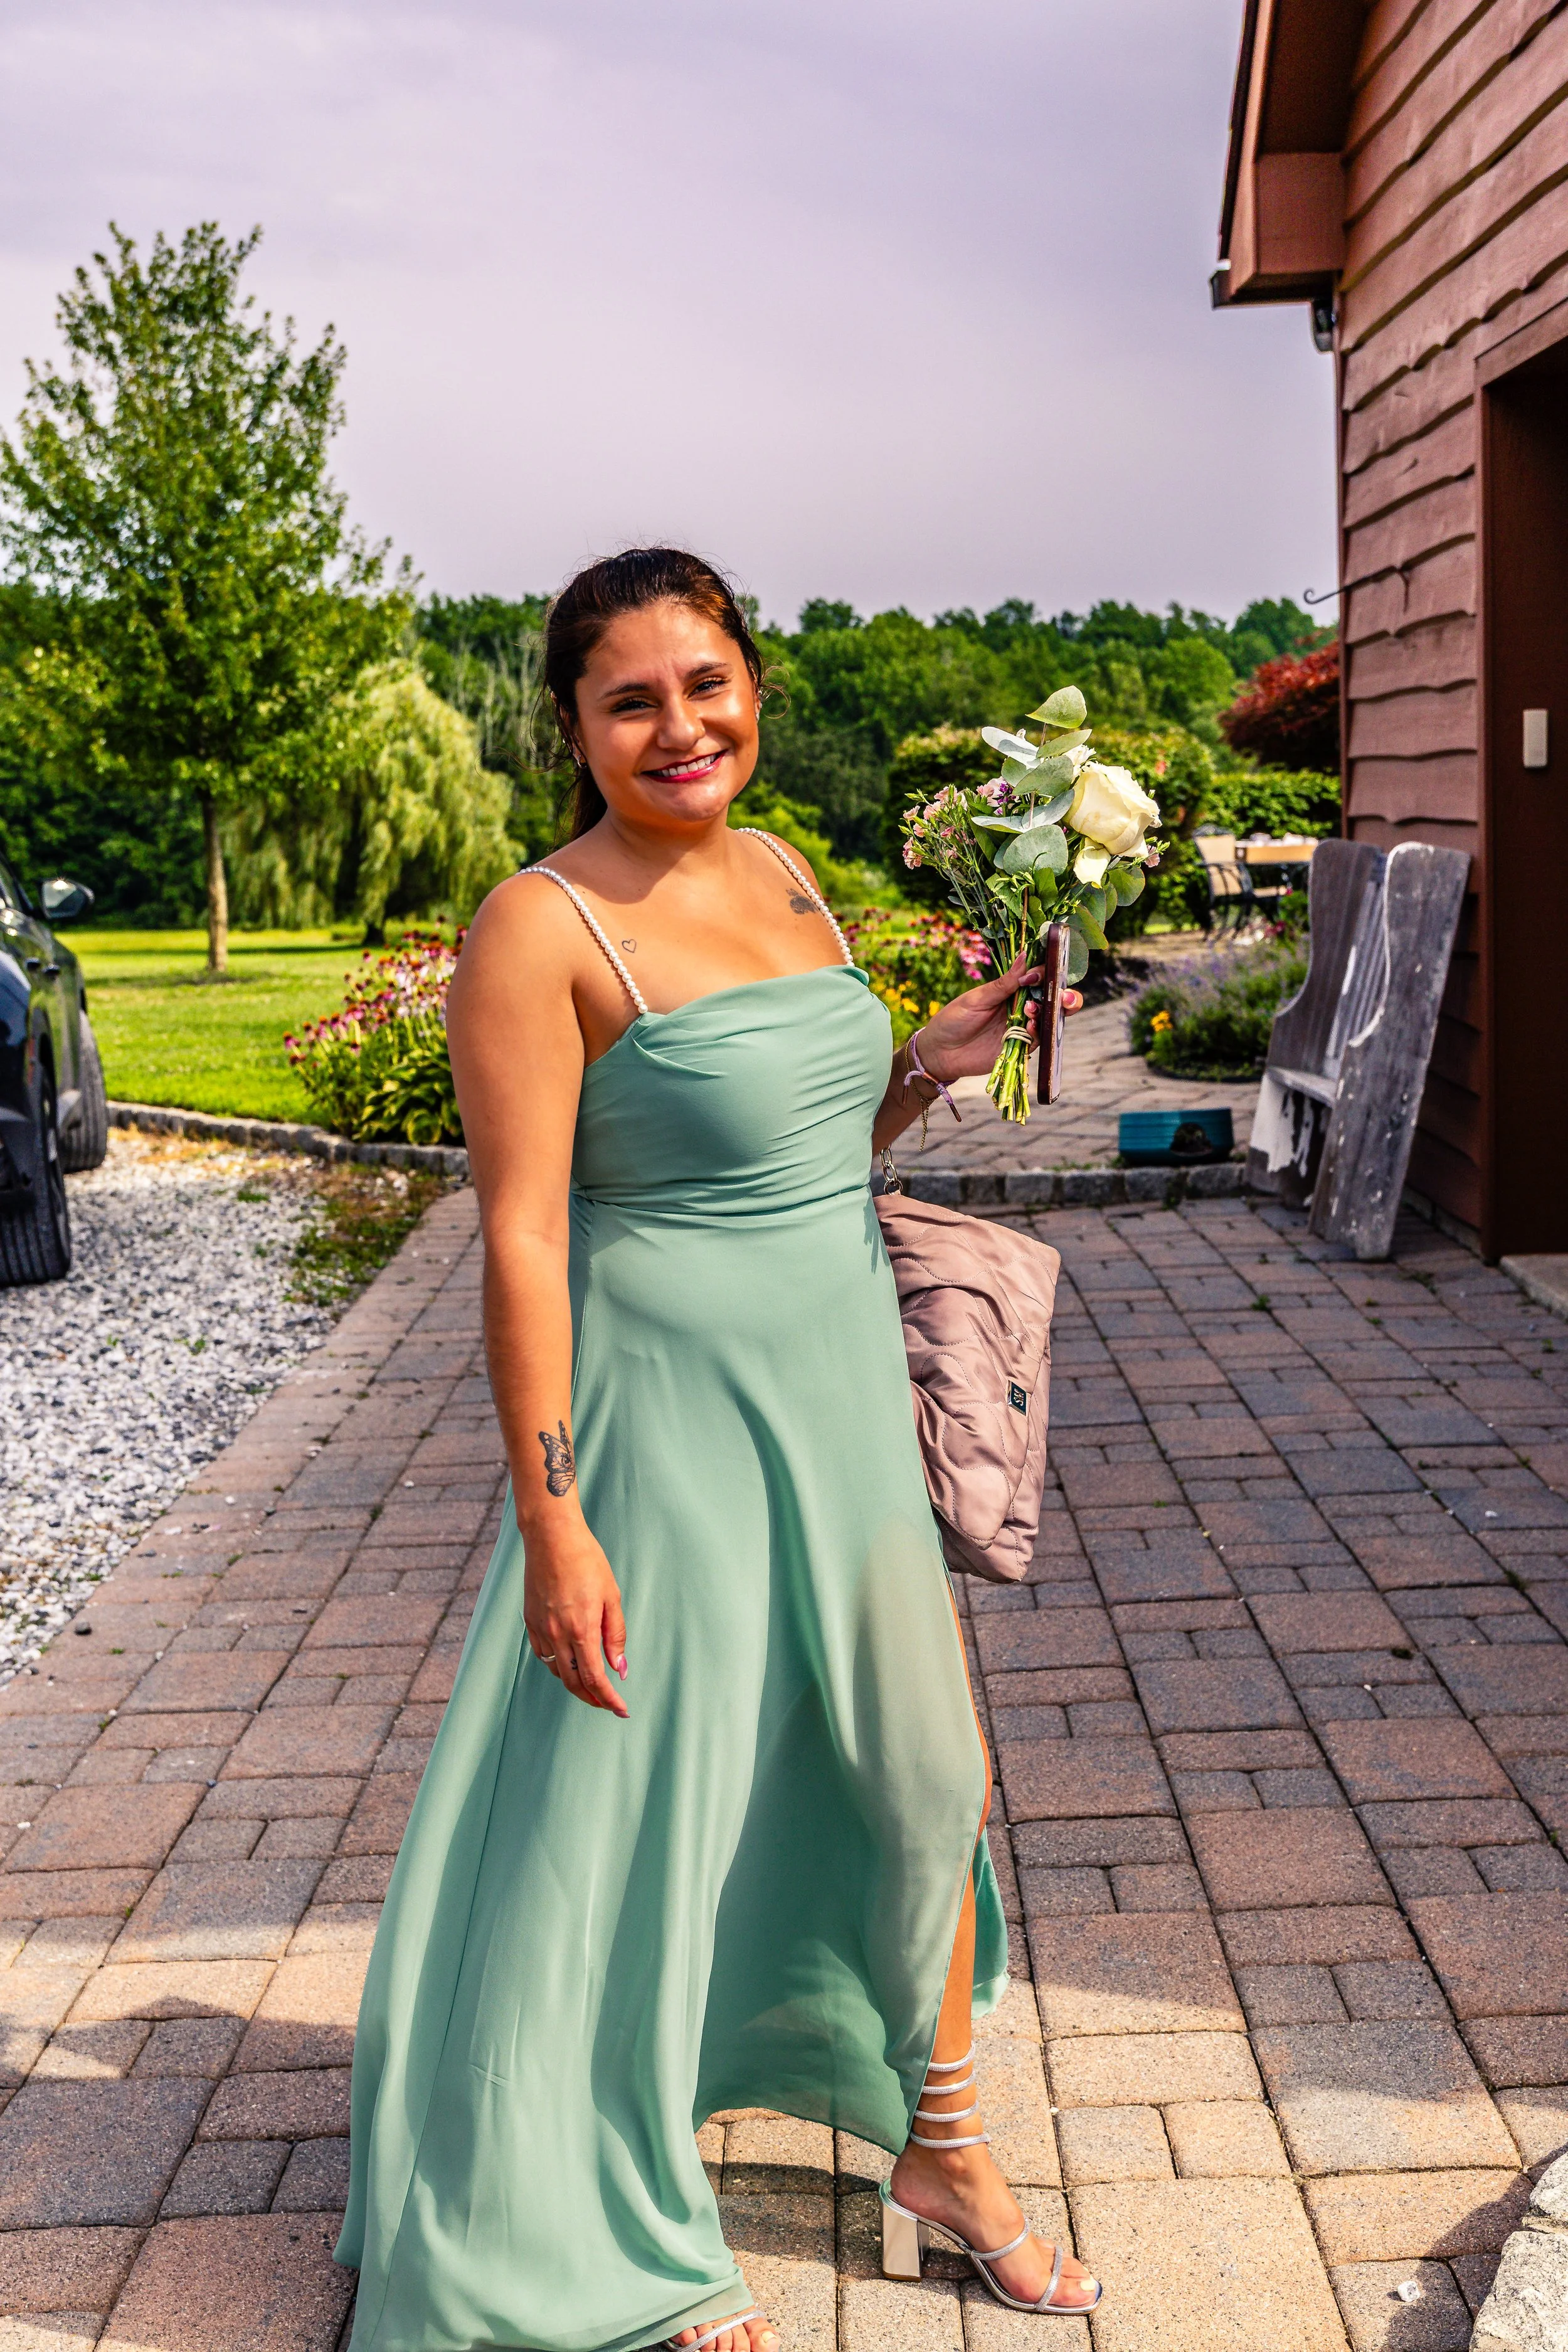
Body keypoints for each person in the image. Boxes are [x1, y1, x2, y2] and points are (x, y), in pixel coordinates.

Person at [336, 547, 1099, 2349]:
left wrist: (922, 1065)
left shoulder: (778, 869)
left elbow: (810, 1144)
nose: (681, 724)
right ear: (576, 727)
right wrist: (553, 1518)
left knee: (917, 1772)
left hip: (831, 1396)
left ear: (751, 685)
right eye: (631, 698)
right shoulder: (540, 925)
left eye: (708, 682)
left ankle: (943, 2146)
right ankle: (625, 2210)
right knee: (646, 1814)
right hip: (661, 1425)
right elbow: (521, 1235)